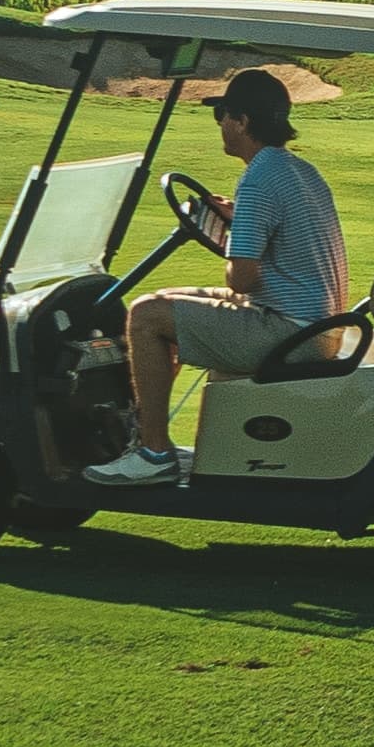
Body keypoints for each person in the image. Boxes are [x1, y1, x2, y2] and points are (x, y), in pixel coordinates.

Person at [85, 68, 350, 484]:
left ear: (242, 121)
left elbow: (240, 280)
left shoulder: (259, 178)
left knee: (144, 315)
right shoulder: (301, 171)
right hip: (313, 324)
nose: (220, 126)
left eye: (221, 116)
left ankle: (154, 453)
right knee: (163, 301)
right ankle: (145, 435)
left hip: (287, 331)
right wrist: (236, 220)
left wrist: (236, 231)